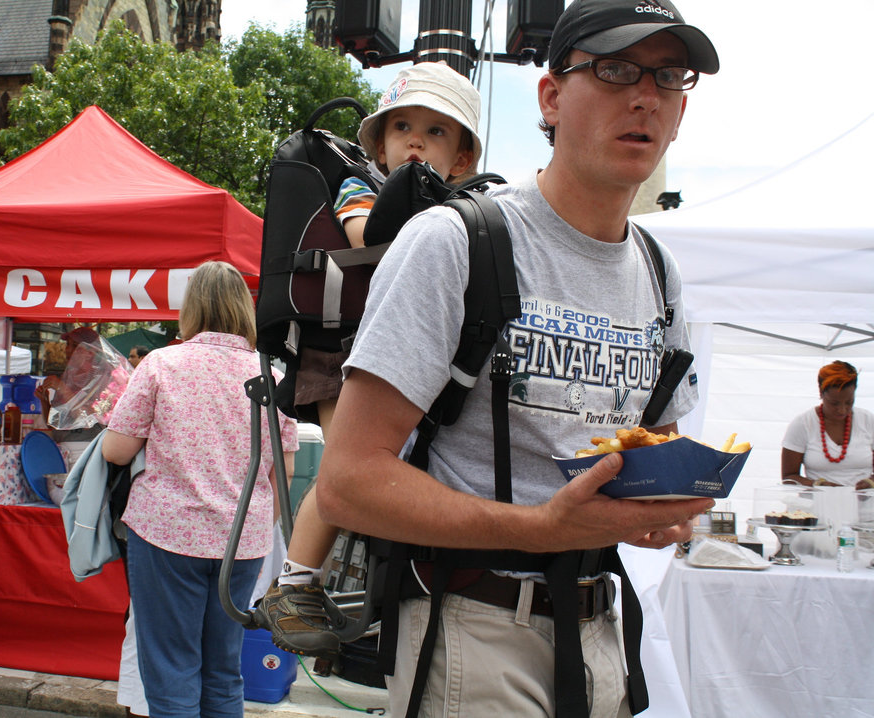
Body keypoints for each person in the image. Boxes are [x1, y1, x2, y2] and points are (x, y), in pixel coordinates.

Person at [314, 1, 719, 716]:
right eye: (617, 68)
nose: (646, 96)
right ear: (552, 95)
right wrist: (542, 528)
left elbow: (652, 442)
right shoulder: (455, 241)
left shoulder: (661, 272)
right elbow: (348, 480)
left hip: (600, 627)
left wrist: (665, 500)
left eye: (670, 76)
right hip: (474, 627)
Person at [255, 61, 480, 657]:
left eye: (436, 132)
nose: (415, 140)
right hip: (338, 354)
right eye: (402, 126)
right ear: (378, 143)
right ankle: (294, 584)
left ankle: (366, 575)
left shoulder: (454, 210)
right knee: (350, 471)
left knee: (391, 468)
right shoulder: (367, 188)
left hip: (387, 354)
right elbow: (365, 240)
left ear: (460, 158)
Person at [101, 261, 298, 718]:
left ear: (192, 307)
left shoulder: (161, 364)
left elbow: (115, 450)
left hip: (168, 532)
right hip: (241, 543)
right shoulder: (276, 376)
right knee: (225, 670)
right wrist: (249, 527)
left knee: (172, 668)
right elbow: (282, 478)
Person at [782, 361, 874, 490]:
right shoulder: (803, 424)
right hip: (817, 506)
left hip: (864, 507)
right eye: (834, 403)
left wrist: (870, 483)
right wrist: (818, 485)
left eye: (849, 402)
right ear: (821, 392)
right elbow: (789, 477)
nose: (842, 410)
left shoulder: (868, 420)